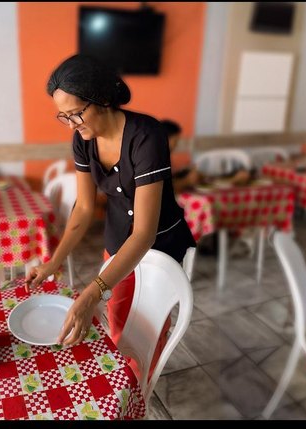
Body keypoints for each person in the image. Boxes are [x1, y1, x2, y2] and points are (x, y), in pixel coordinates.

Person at [25, 54, 196, 378]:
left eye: (76, 114)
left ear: (101, 98)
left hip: (161, 245)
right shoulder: (82, 141)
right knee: (119, 319)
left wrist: (93, 290)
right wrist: (53, 261)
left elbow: (145, 233)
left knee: (149, 323)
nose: (73, 124)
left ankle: (140, 381)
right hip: (119, 239)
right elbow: (85, 208)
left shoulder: (147, 135)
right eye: (64, 117)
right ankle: (124, 377)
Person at [162, 119, 251, 193]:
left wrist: (191, 174)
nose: (177, 145)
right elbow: (162, 189)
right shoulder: (155, 159)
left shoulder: (164, 156)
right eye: (175, 141)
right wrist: (187, 181)